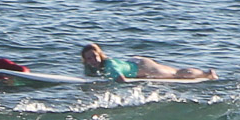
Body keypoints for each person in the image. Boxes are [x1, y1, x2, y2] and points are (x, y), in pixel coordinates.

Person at [81, 42, 217, 81]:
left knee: (175, 73)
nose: (92, 60)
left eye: (94, 56)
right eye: (88, 58)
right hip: (133, 64)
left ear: (100, 55)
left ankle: (206, 74)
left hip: (142, 66)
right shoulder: (90, 67)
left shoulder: (109, 65)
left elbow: (121, 80)